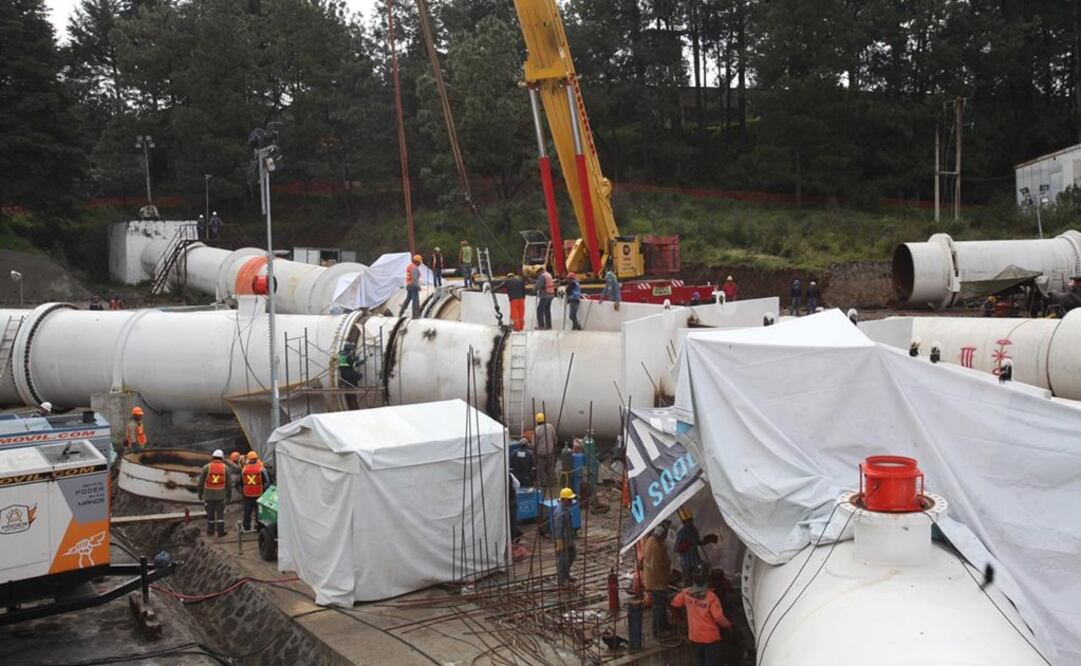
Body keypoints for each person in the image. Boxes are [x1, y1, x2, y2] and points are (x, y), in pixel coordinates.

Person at [670, 563, 733, 666]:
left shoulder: (686, 593)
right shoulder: (712, 597)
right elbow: (719, 618)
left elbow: (673, 604)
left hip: (694, 637)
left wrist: (680, 621)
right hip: (710, 639)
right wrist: (730, 626)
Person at [643, 520, 673, 639]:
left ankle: (665, 625)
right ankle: (658, 631)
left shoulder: (652, 541)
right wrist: (666, 580)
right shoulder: (655, 546)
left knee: (661, 605)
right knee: (658, 607)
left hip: (654, 580)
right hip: (656, 582)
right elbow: (658, 567)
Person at [674, 508, 718, 576]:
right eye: (687, 521)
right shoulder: (682, 532)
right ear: (684, 521)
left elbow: (697, 542)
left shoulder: (693, 529)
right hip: (686, 563)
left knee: (705, 569)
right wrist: (686, 544)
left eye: (691, 520)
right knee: (689, 583)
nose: (690, 522)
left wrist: (706, 541)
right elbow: (676, 549)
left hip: (695, 561)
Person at [198, 449, 232, 537]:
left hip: (208, 496)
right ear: (222, 458)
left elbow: (200, 483)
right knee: (220, 515)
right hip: (220, 496)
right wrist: (229, 496)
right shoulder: (226, 468)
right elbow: (229, 484)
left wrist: (200, 494)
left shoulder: (206, 467)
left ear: (213, 457)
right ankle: (220, 532)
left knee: (210, 515)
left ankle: (210, 531)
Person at [553, 487, 577, 586]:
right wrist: (559, 543)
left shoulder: (565, 509)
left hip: (568, 539)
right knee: (562, 560)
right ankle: (562, 579)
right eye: (569, 500)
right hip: (562, 540)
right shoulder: (559, 512)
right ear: (564, 500)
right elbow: (558, 529)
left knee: (572, 555)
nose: (571, 501)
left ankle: (566, 575)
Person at [241, 451, 270, 532]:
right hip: (259, 493)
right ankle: (259, 527)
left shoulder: (244, 470)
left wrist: (243, 491)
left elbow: (241, 483)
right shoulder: (262, 469)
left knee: (247, 511)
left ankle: (246, 527)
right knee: (258, 512)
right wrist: (265, 492)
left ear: (249, 459)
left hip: (247, 495)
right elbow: (267, 482)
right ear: (256, 459)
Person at [533, 412, 558, 488]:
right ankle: (552, 483)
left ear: (537, 421)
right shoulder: (550, 427)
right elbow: (554, 439)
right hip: (550, 452)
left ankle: (544, 484)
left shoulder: (537, 429)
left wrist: (534, 452)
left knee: (542, 470)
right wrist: (554, 448)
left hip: (540, 453)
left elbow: (534, 443)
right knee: (550, 468)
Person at [534, 265, 555, 330]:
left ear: (539, 271)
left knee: (539, 310)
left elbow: (538, 286)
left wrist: (534, 290)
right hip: (551, 294)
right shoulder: (549, 275)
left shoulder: (542, 276)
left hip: (545, 295)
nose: (537, 274)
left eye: (537, 272)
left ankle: (541, 325)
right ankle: (549, 326)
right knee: (547, 310)